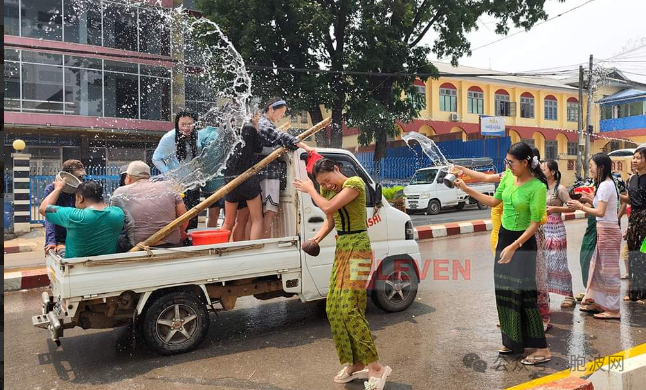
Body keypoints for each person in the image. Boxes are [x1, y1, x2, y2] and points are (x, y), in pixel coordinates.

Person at [293, 158, 392, 388]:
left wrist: (310, 189)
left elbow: (327, 207)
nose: (326, 186)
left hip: (359, 250)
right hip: (343, 248)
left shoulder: (354, 184)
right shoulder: (327, 192)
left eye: (327, 181)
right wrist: (316, 238)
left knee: (350, 307)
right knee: (334, 307)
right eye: (321, 184)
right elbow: (330, 219)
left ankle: (375, 366)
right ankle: (355, 362)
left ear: (336, 169)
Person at [455, 142, 551, 365]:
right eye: (507, 161)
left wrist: (514, 246)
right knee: (505, 292)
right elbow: (494, 201)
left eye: (511, 162)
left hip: (522, 245)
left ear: (525, 163)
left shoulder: (537, 187)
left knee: (525, 296)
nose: (507, 165)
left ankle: (542, 349)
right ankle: (512, 341)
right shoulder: (508, 177)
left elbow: (535, 223)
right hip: (505, 239)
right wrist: (467, 189)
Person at [568, 153, 622, 319]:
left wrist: (580, 206)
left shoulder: (606, 185)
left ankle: (613, 310)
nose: (589, 169)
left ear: (601, 167)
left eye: (591, 166)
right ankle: (599, 302)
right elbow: (600, 207)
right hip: (604, 230)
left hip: (608, 231)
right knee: (598, 268)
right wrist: (589, 199)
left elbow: (600, 212)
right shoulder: (604, 184)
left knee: (609, 271)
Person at [258, 97, 315, 238]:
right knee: (269, 212)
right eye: (281, 113)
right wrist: (306, 147)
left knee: (262, 214)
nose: (282, 116)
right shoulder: (263, 124)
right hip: (268, 174)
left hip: (265, 174)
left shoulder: (264, 123)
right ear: (271, 109)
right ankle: (263, 243)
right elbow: (283, 137)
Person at [110, 161, 188, 250]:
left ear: (128, 178)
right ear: (149, 177)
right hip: (172, 244)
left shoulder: (120, 193)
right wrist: (181, 232)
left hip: (139, 247)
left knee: (118, 239)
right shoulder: (168, 186)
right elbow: (184, 219)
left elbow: (113, 223)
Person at [39, 180, 124, 258]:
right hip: (105, 264)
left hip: (74, 267)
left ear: (80, 198)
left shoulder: (75, 216)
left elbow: (43, 208)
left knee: (60, 245)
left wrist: (58, 189)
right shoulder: (118, 213)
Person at [152, 110, 202, 232]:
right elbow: (156, 159)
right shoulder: (169, 138)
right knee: (180, 219)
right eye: (183, 124)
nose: (186, 127)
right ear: (177, 124)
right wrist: (170, 175)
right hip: (178, 186)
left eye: (190, 124)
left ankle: (191, 244)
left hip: (193, 183)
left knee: (193, 216)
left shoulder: (197, 135)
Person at [220, 118, 265, 241]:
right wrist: (256, 127)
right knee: (256, 219)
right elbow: (259, 148)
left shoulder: (227, 130)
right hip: (248, 178)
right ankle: (252, 249)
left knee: (228, 222)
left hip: (230, 179)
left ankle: (220, 248)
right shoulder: (250, 128)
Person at [541, 160, 576, 308]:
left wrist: (555, 209)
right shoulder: (541, 187)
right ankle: (544, 295)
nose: (542, 172)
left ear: (553, 172)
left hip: (556, 228)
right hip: (543, 228)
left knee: (559, 262)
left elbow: (572, 207)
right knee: (544, 263)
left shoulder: (560, 189)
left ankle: (569, 295)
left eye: (544, 169)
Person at [43, 159, 86, 257]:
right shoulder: (51, 189)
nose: (81, 180)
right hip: (59, 238)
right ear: (67, 177)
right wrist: (51, 241)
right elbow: (49, 216)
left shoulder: (81, 189)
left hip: (76, 236)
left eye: (82, 177)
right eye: (79, 177)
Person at [623, 146, 646, 303]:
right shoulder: (632, 179)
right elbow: (632, 200)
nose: (635, 160)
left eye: (639, 157)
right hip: (634, 219)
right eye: (634, 157)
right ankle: (635, 293)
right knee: (634, 255)